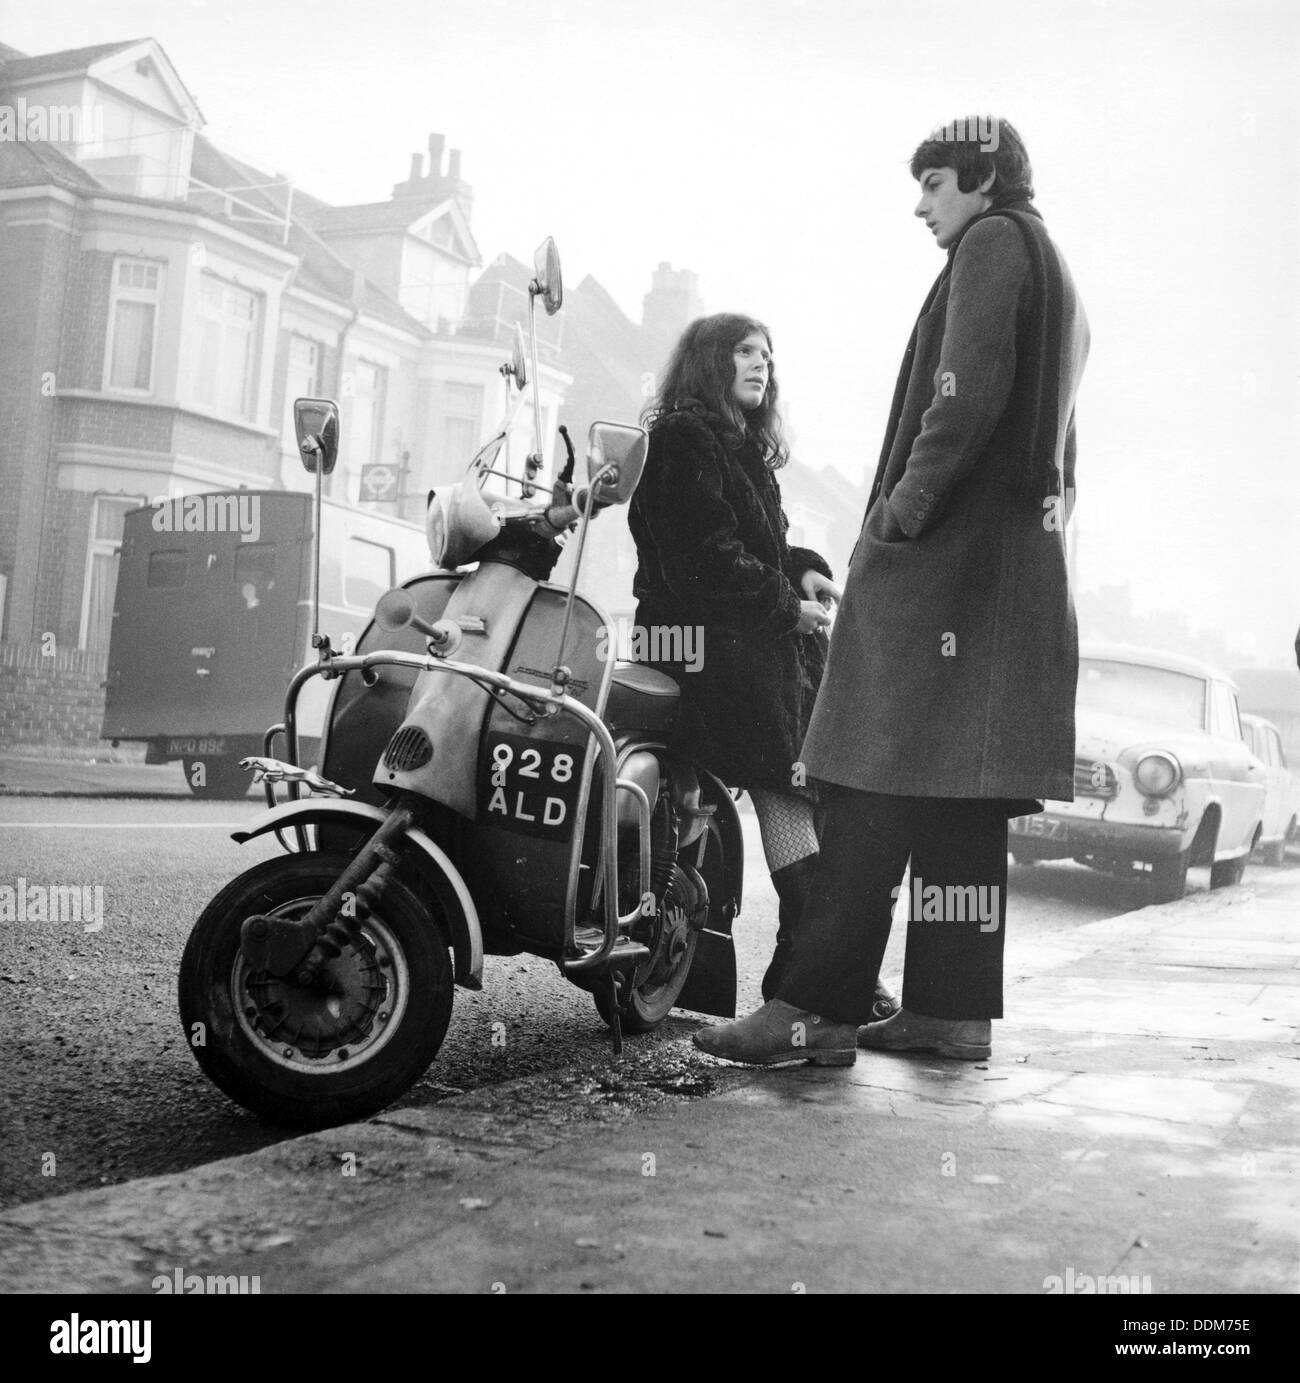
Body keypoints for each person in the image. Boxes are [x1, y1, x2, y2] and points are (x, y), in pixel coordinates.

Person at [694, 117, 1089, 1067]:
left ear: (983, 178)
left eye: (934, 182)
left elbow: (962, 400)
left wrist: (896, 518)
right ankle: (950, 1013)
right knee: (959, 802)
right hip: (999, 582)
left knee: (865, 783)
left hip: (941, 574)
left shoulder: (995, 243)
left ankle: (812, 1012)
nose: (921, 204)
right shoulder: (1057, 268)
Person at [628, 313, 899, 1015]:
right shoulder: (683, 439)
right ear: (710, 362)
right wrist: (787, 604)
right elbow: (707, 556)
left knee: (813, 799)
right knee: (788, 795)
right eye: (746, 352)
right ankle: (820, 989)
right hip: (704, 652)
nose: (762, 365)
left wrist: (802, 572)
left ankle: (810, 983)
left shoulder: (738, 445)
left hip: (748, 649)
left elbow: (760, 545)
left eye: (768, 355)